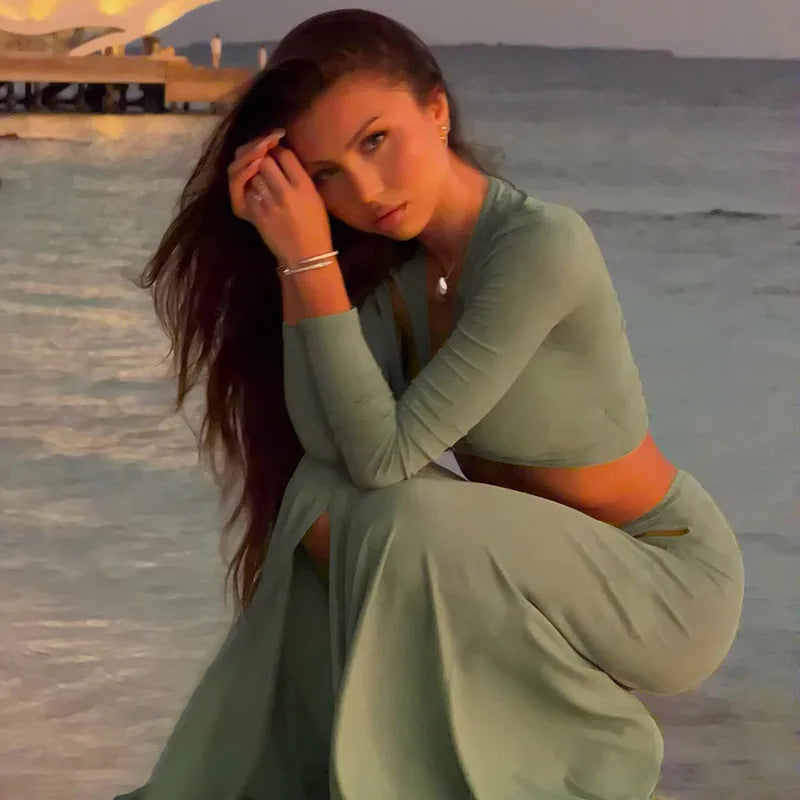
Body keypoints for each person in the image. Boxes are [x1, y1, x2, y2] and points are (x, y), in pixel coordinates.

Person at [114, 9, 744, 800]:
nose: (364, 190)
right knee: (320, 497)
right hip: (536, 583)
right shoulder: (403, 274)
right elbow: (331, 445)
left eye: (376, 141)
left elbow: (385, 459)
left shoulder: (539, 247)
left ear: (437, 110)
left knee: (403, 516)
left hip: (665, 579)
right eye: (325, 176)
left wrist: (311, 257)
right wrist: (296, 262)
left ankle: (574, 764)